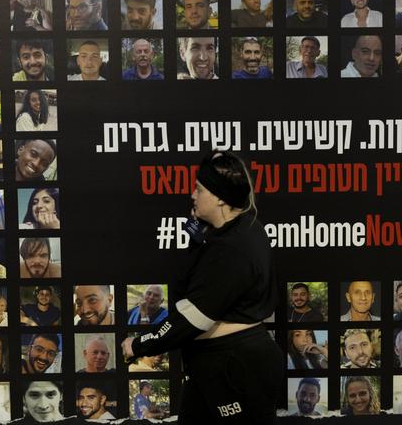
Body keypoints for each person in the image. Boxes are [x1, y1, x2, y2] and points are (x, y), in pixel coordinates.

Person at [121, 150, 282, 423]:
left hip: (234, 366)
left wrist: (139, 345)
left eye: (198, 189)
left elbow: (191, 317)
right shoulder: (232, 232)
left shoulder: (233, 248)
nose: (192, 195)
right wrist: (199, 242)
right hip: (212, 365)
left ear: (219, 197)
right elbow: (187, 292)